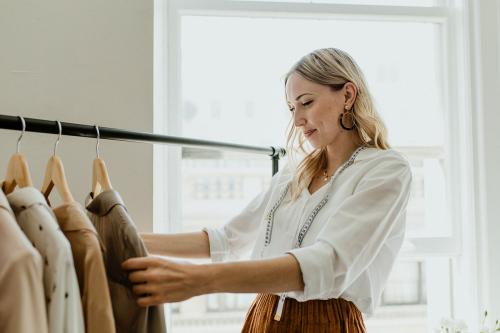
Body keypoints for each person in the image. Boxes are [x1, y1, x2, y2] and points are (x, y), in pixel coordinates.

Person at [122, 48, 413, 333]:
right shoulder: (295, 173)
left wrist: (201, 279)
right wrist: (125, 240)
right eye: (292, 108)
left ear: (348, 95)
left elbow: (328, 263)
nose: (297, 120)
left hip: (328, 323)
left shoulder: (385, 170)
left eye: (307, 102)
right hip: (261, 316)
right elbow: (227, 240)